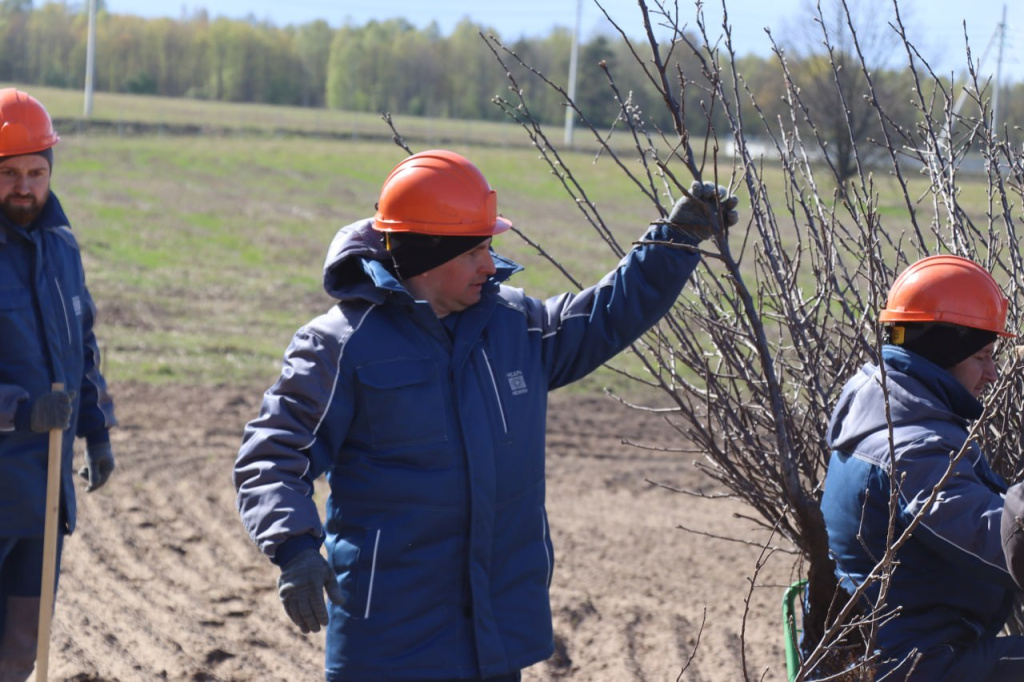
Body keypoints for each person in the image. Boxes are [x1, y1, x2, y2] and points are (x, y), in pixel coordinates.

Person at [233, 149, 738, 681]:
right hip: (388, 642)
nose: (490, 264)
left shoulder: (514, 324)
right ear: (426, 254)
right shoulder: (340, 345)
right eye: (474, 250)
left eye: (489, 246)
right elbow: (272, 454)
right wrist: (294, 547)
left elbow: (605, 314)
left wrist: (674, 242)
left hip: (492, 637)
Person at [820, 254, 1024, 681]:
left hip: (908, 651)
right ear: (942, 351)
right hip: (922, 665)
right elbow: (1006, 546)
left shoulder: (882, 409)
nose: (993, 373)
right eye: (983, 356)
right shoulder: (913, 452)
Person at [0, 88, 117, 680]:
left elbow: (82, 346)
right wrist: (20, 413)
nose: (25, 186)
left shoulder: (61, 247)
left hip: (42, 496)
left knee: (22, 649)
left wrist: (96, 431)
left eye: (36, 172)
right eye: (10, 173)